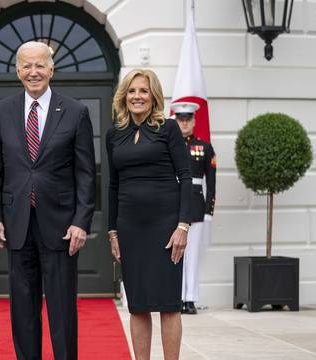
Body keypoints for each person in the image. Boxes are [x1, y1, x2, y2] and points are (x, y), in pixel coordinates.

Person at [0, 41, 96, 360]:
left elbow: (86, 174)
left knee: (62, 309)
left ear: (52, 69)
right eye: (26, 66)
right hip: (16, 225)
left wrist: (81, 222)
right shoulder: (1, 111)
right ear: (17, 70)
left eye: (40, 65)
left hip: (61, 227)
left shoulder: (76, 111)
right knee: (22, 309)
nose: (34, 72)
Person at [106, 69, 191, 360]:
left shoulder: (168, 128)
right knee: (138, 304)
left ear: (153, 96)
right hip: (129, 228)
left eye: (143, 91)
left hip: (166, 227)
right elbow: (113, 184)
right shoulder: (114, 134)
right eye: (132, 91)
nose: (137, 96)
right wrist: (112, 232)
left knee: (168, 303)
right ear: (124, 96)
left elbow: (186, 178)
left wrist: (183, 226)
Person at [171, 102, 216, 315]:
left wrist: (209, 211)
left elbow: (212, 182)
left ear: (194, 121)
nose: (184, 123)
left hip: (196, 206)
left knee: (193, 254)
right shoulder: (169, 144)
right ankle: (176, 297)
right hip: (174, 205)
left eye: (188, 119)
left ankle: (190, 299)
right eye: (180, 119)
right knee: (175, 253)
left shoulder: (204, 147)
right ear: (175, 120)